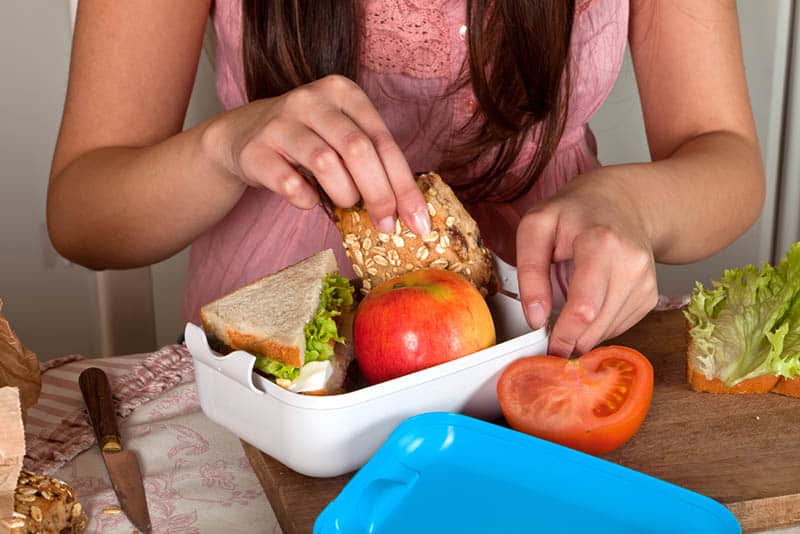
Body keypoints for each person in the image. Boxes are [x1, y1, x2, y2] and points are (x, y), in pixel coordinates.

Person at [47, 1, 765, 358]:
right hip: (283, 372)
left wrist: (632, 204)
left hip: (555, 348)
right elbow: (83, 212)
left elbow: (726, 157)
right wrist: (221, 148)